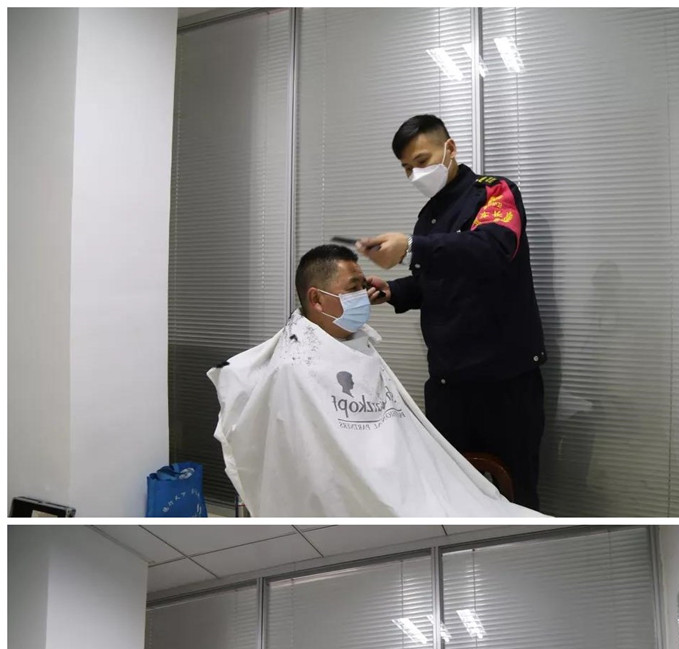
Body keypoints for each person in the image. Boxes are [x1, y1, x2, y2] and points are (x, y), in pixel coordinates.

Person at [207, 243, 548, 518]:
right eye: (353, 289)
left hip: (414, 485)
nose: (364, 296)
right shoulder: (292, 369)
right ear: (317, 299)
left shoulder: (357, 346)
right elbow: (313, 468)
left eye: (363, 286)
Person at [358, 114, 546, 511]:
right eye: (407, 168)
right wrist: (392, 290)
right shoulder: (428, 217)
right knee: (451, 492)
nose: (415, 174)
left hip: (505, 382)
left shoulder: (493, 192)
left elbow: (493, 248)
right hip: (448, 384)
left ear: (450, 148)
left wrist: (412, 247)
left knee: (517, 493)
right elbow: (435, 283)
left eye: (422, 161)